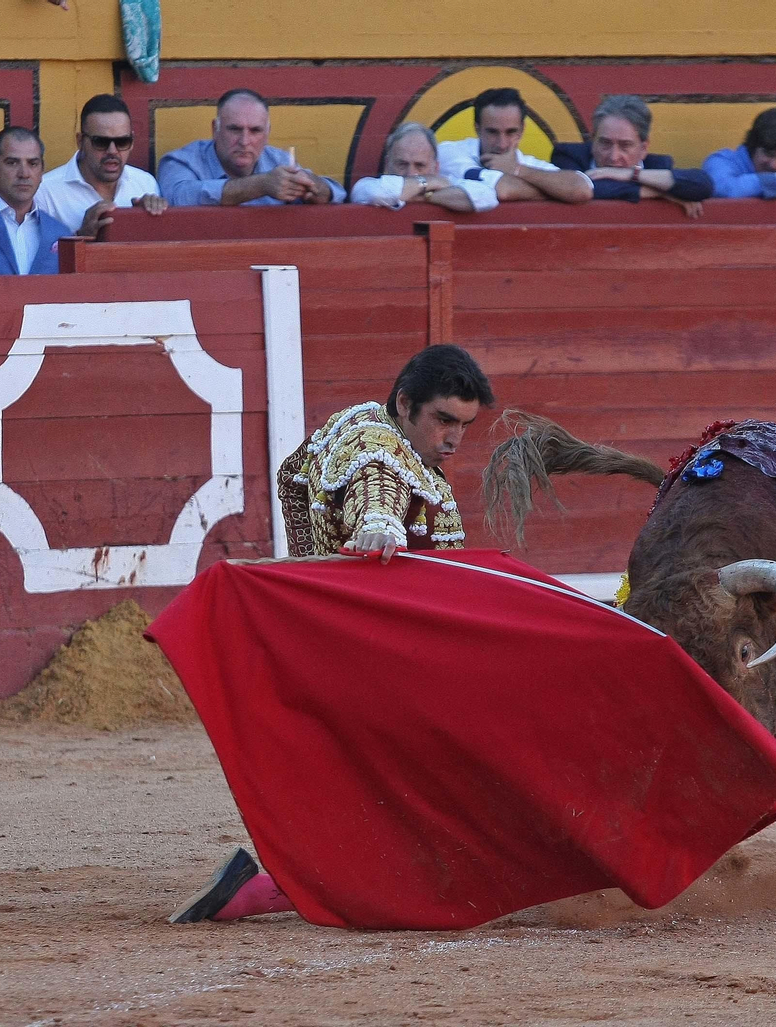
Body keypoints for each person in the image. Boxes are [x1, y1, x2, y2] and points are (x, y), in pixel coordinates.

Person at [172, 345, 496, 923]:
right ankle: (289, 883)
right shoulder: (375, 444)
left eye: (464, 426)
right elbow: (378, 489)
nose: (453, 439)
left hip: (354, 648)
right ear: (404, 403)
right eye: (443, 420)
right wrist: (379, 523)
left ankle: (282, 881)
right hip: (370, 653)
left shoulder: (372, 433)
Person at [157, 89, 346, 206]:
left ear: (267, 133)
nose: (245, 141)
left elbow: (338, 194)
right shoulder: (181, 162)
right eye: (235, 129)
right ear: (215, 129)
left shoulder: (279, 160)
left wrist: (315, 189)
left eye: (255, 131)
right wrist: (261, 185)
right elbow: (179, 198)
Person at [551, 94, 713, 216]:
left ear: (644, 148)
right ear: (593, 141)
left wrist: (631, 174)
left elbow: (703, 185)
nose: (614, 157)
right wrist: (661, 192)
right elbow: (587, 189)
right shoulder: (568, 156)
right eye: (605, 143)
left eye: (625, 146)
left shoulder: (658, 166)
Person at [34, 94, 167, 238]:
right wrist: (81, 236)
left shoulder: (145, 183)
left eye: (122, 142)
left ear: (132, 142)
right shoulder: (45, 192)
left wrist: (150, 223)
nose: (112, 151)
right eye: (100, 142)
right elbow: (37, 258)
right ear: (80, 142)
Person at [436, 88, 593, 205]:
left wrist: (517, 169)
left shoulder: (527, 165)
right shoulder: (449, 152)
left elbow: (581, 189)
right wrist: (553, 191)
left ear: (522, 130)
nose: (502, 143)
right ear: (477, 128)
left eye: (511, 132)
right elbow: (503, 190)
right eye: (492, 132)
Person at [0, 127, 76, 275]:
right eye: (12, 163)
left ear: (42, 170)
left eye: (32, 164)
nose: (24, 174)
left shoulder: (60, 233)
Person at [349, 122, 499, 213]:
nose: (411, 173)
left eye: (420, 165)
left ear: (436, 167)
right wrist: (427, 185)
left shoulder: (449, 182)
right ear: (388, 164)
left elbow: (486, 196)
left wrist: (424, 195)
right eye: (402, 164)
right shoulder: (368, 185)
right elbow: (376, 193)